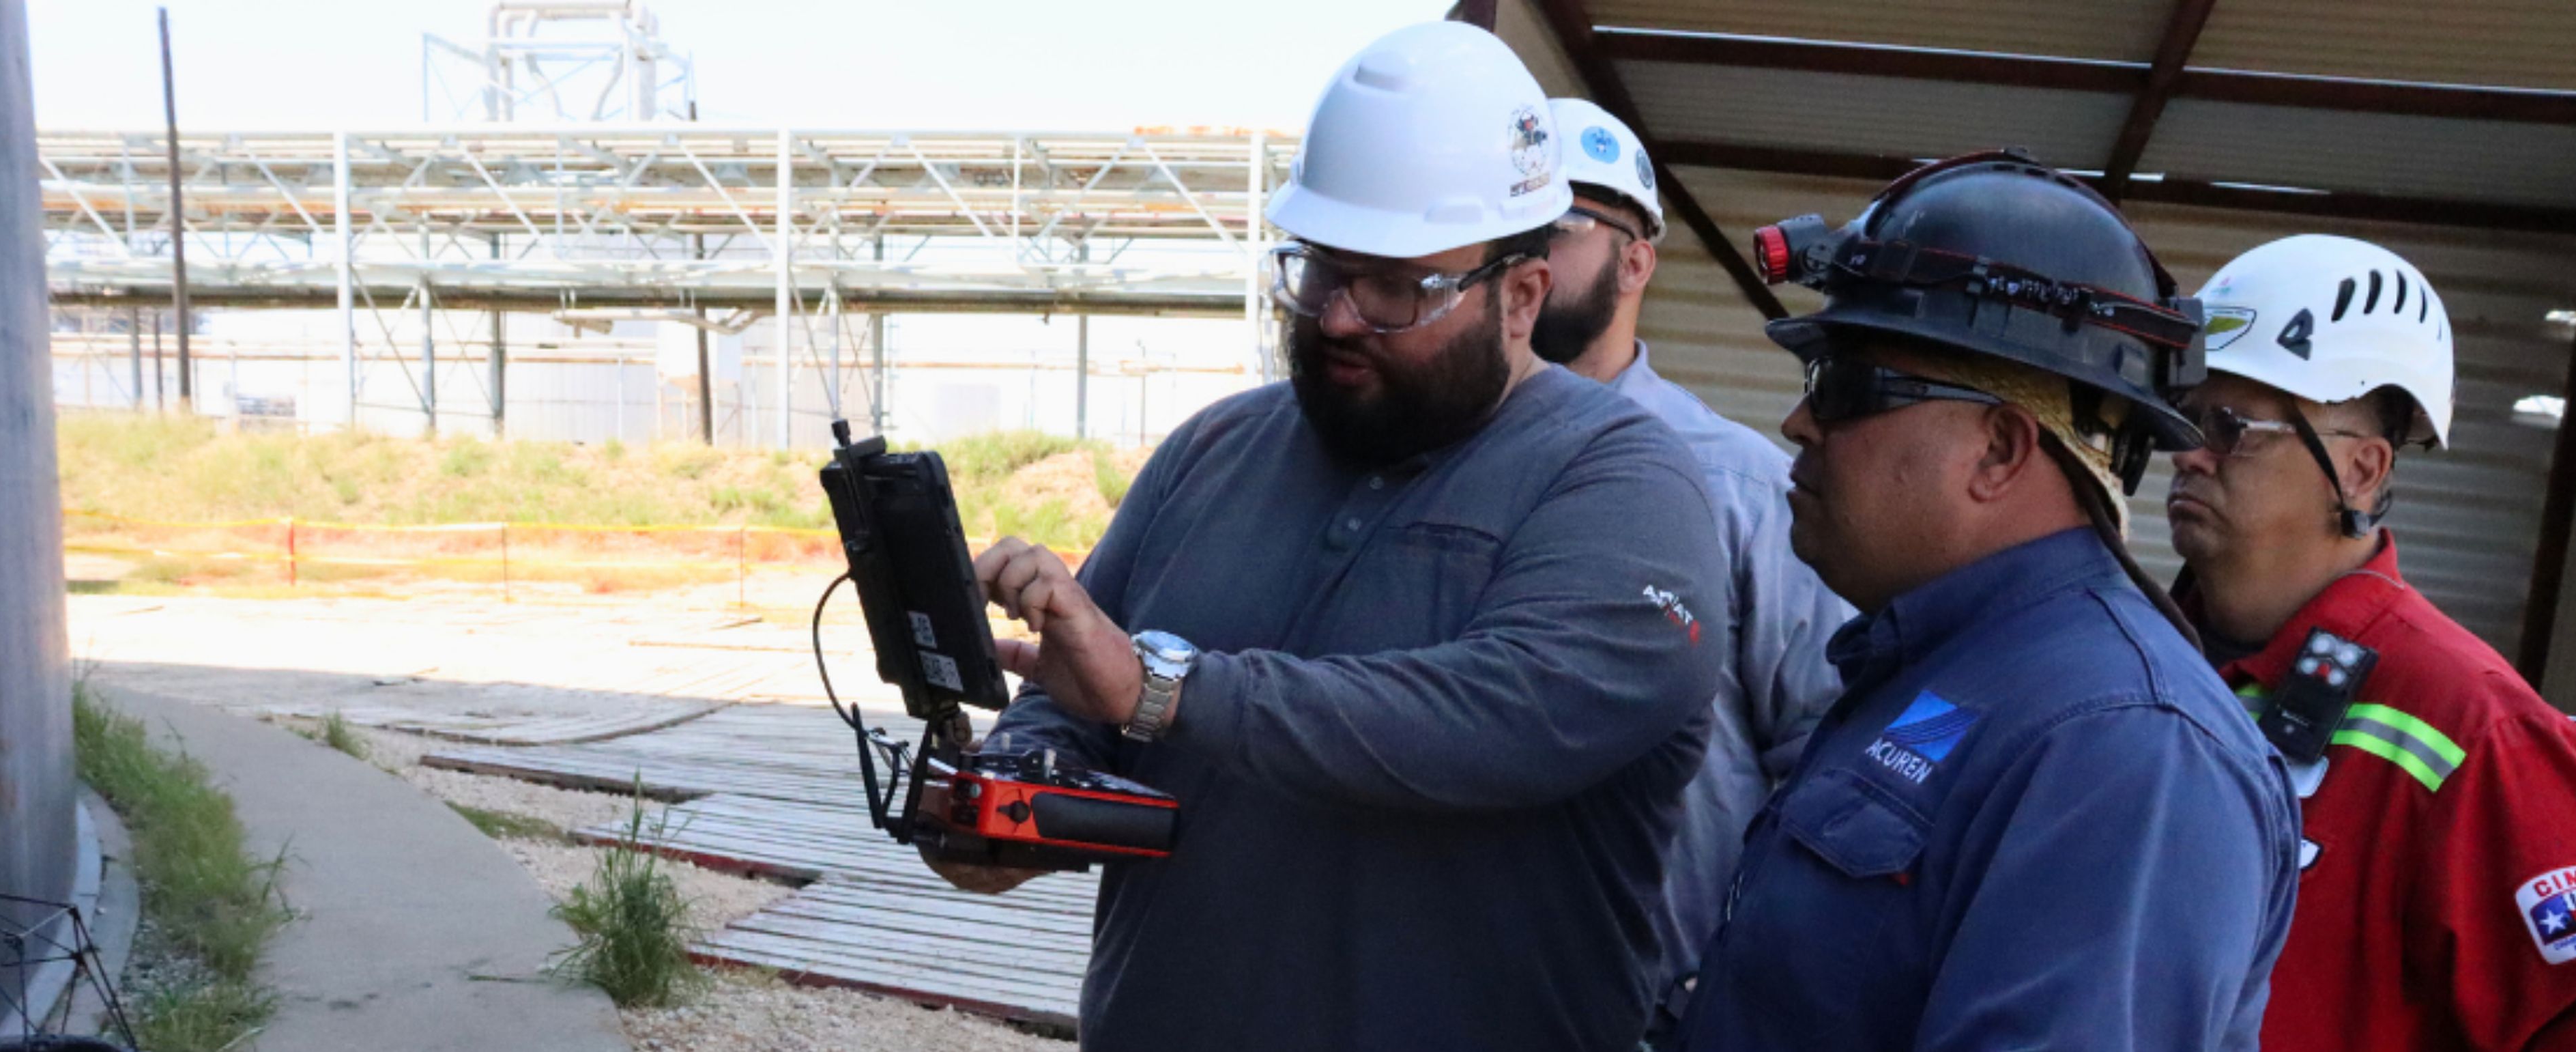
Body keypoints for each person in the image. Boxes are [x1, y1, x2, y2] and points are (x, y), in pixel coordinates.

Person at [931, 22, 1730, 1051]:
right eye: (1319, 270)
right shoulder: (1214, 450)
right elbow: (1080, 703)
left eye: (1397, 286)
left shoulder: (1626, 484)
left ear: (1523, 295)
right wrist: (1006, 802)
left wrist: (1163, 690)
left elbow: (1502, 719)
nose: (1341, 317)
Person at [1668, 150, 2300, 1051]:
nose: (1799, 424)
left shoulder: (2124, 748)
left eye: (1845, 389)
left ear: (2001, 450)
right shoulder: (1955, 672)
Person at [2170, 233, 2576, 1050]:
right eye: (2187, 417)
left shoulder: (2476, 727)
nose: (2189, 453)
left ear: (2363, 470)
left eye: (2231, 426)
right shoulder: (2140, 665)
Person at [1535, 96, 1850, 1034]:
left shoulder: (1739, 489)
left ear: (1637, 261)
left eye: (1556, 227)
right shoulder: (1424, 472)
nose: (1521, 257)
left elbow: (1824, 761)